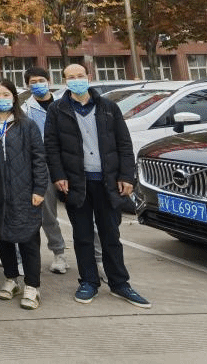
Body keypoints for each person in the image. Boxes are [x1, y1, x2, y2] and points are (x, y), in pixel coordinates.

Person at [44, 63, 150, 308]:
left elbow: (124, 144)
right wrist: (58, 175)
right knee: (82, 236)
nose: (76, 80)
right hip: (76, 183)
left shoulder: (108, 107)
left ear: (89, 77)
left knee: (111, 235)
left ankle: (120, 283)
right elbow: (51, 146)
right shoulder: (57, 110)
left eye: (80, 76)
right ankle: (88, 282)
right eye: (71, 77)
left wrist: (127, 176)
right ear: (64, 81)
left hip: (107, 182)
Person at [0, 80, 48, 310]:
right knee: (3, 237)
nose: (1, 98)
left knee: (28, 238)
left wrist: (39, 189)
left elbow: (38, 158)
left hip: (25, 191)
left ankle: (32, 285)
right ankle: (11, 279)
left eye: (6, 94)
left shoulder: (27, 125)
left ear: (14, 97)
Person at [21, 66, 69, 275]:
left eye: (41, 80)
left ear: (49, 81)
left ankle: (97, 258)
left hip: (70, 165)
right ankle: (59, 253)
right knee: (47, 214)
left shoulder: (64, 104)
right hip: (43, 166)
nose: (38, 85)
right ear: (27, 85)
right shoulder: (25, 110)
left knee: (84, 215)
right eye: (33, 82)